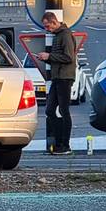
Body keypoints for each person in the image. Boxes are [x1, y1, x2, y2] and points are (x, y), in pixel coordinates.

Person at [37, 10, 76, 155]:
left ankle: (65, 145)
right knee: (50, 110)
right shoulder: (58, 35)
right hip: (57, 77)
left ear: (54, 22)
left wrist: (49, 56)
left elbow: (69, 57)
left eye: (47, 26)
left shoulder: (65, 35)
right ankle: (59, 142)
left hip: (64, 77)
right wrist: (47, 57)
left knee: (64, 110)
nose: (46, 29)